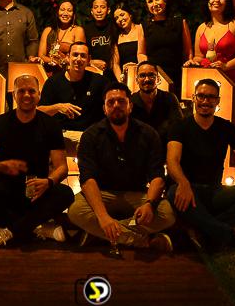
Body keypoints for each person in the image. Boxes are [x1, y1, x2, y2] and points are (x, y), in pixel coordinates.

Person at [167, 79, 235, 250]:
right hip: (189, 192)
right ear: (194, 98)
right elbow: (172, 160)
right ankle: (227, 233)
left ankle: (205, 230)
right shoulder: (180, 127)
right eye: (201, 96)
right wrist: (183, 182)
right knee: (173, 192)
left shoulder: (226, 128)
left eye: (211, 97)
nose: (205, 101)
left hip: (215, 192)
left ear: (217, 101)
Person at [0, 74, 74, 250]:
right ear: (14, 95)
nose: (27, 95)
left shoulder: (50, 125)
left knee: (66, 194)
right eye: (21, 91)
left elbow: (62, 167)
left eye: (31, 91)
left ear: (39, 95)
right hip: (5, 188)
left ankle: (6, 231)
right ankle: (34, 227)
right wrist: (2, 166)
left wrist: (48, 182)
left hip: (37, 190)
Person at [68, 82, 175, 251]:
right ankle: (142, 241)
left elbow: (157, 176)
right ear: (104, 108)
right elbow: (88, 180)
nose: (116, 105)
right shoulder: (91, 135)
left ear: (130, 106)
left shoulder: (148, 134)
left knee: (167, 213)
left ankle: (99, 234)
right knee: (75, 210)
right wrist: (103, 217)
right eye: (111, 102)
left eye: (121, 101)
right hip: (102, 194)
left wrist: (149, 203)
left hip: (137, 194)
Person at [186, 0, 235, 135]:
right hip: (209, 83)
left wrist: (226, 66)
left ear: (228, 2)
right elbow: (199, 56)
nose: (216, 0)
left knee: (234, 123)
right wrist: (193, 62)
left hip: (233, 80)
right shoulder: (202, 27)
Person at [38, 41, 109, 133]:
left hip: (91, 135)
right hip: (63, 134)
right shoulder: (53, 82)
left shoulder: (99, 82)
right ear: (68, 57)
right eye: (75, 55)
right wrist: (57, 107)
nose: (78, 59)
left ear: (88, 59)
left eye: (83, 56)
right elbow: (39, 112)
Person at [143, 0, 193, 98]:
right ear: (147, 6)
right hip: (154, 79)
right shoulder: (143, 26)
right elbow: (141, 53)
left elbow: (188, 52)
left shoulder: (180, 22)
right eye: (150, 1)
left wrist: (189, 64)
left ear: (165, 0)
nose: (154, 4)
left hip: (177, 77)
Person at [131, 61, 182, 150]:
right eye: (142, 76)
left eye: (151, 75)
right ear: (137, 80)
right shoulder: (130, 101)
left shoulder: (170, 98)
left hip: (165, 148)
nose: (147, 79)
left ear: (158, 79)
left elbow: (178, 128)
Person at [38, 1, 85, 74]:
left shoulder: (78, 30)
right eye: (62, 10)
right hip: (49, 72)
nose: (65, 13)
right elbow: (41, 55)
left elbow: (80, 55)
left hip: (70, 73)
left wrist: (64, 60)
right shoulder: (48, 30)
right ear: (57, 12)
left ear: (73, 14)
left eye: (69, 10)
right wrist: (53, 61)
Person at [111, 4, 147, 81]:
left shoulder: (141, 28)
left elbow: (143, 55)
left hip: (143, 74)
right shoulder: (116, 36)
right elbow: (115, 64)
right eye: (116, 18)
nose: (120, 19)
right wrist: (121, 81)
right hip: (126, 77)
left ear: (130, 14)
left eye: (122, 15)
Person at [84, 0, 115, 75]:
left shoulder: (115, 26)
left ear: (108, 10)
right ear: (92, 11)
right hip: (93, 71)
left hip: (114, 71)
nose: (99, 11)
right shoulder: (85, 29)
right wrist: (91, 62)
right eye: (96, 7)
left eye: (102, 7)